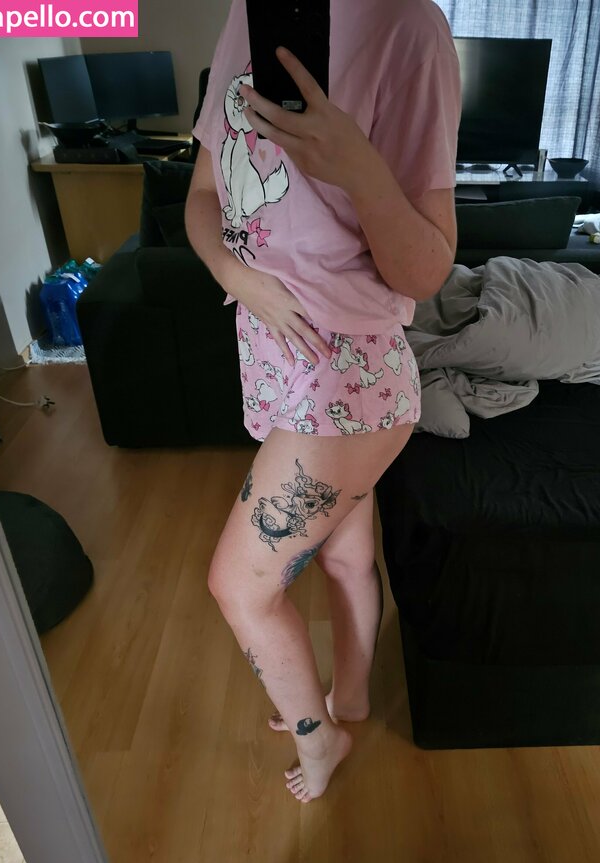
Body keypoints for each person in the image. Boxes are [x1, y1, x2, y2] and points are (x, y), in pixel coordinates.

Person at [186, 0, 461, 802]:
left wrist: (359, 167)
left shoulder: (409, 28)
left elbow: (427, 270)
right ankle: (350, 699)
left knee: (240, 588)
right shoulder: (247, 14)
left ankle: (321, 740)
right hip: (275, 362)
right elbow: (203, 192)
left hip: (349, 382)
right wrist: (235, 276)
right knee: (342, 557)